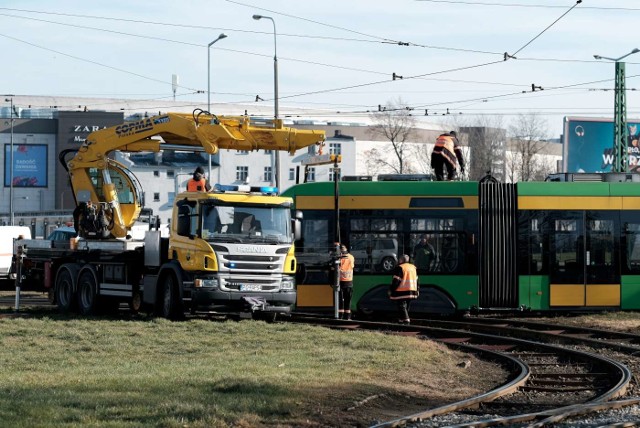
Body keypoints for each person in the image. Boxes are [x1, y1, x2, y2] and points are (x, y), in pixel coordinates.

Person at [388, 254, 419, 324]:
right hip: (412, 290)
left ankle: (406, 320)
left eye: (399, 259)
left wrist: (391, 290)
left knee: (401, 305)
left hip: (402, 291)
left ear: (401, 260)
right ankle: (401, 320)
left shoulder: (400, 268)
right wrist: (417, 290)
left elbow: (396, 281)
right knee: (406, 306)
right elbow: (417, 280)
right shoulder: (413, 267)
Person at [338, 244, 355, 320]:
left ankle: (340, 316)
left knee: (341, 300)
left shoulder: (339, 259)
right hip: (349, 282)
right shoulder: (351, 257)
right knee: (348, 300)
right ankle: (347, 317)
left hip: (340, 282)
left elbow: (336, 268)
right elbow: (352, 267)